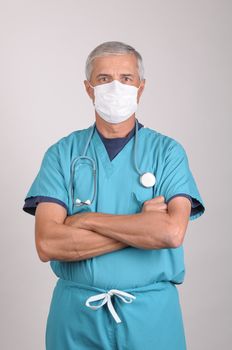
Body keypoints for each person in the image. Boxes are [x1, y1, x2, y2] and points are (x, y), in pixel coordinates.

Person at [23, 41, 205, 350]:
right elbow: (47, 243)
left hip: (151, 316)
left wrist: (85, 220)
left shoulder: (167, 152)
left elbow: (172, 233)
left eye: (126, 78)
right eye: (104, 79)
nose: (115, 87)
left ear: (141, 88)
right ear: (89, 88)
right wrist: (142, 227)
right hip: (76, 315)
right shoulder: (62, 154)